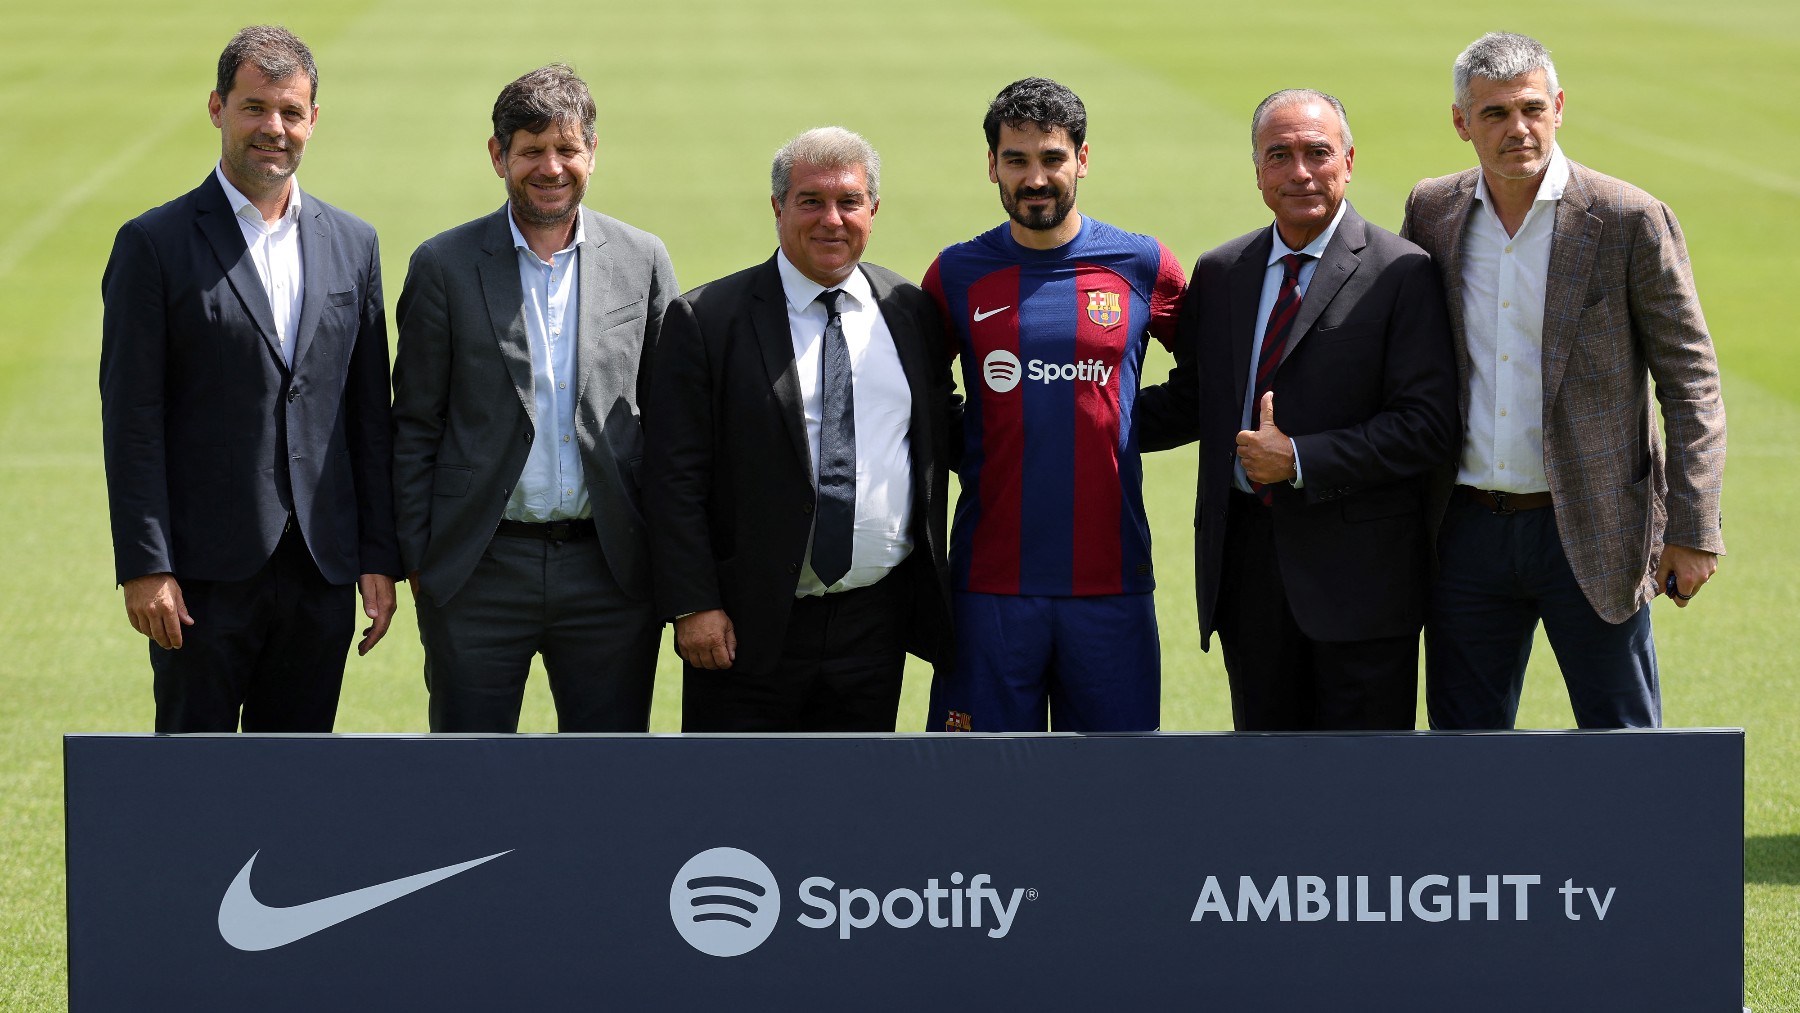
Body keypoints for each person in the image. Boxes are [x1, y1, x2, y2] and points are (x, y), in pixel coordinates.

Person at [1400, 33, 1726, 729]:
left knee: (1624, 746)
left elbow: (1691, 381)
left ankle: (1638, 847)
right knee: (1465, 751)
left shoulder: (1630, 217)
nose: (1517, 129)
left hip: (1595, 525)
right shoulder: (1431, 211)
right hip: (1463, 533)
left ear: (1559, 107)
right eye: (1494, 114)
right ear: (1462, 122)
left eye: (1531, 108)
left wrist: (1695, 526)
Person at [99, 25, 400, 733]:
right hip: (200, 578)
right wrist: (146, 563)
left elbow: (368, 416)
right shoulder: (153, 244)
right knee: (195, 792)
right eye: (255, 107)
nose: (274, 128)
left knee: (295, 790)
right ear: (217, 109)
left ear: (313, 121)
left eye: (291, 112)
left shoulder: (354, 244)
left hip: (320, 570)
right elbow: (132, 418)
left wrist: (379, 558)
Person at [1137, 89, 1458, 731]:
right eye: (1279, 155)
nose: (1300, 172)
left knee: (1362, 789)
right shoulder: (1223, 270)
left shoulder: (1403, 272)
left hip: (1363, 586)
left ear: (1349, 160)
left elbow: (1428, 426)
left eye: (1318, 152)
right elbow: (1197, 399)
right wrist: (1075, 421)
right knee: (1267, 785)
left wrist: (1302, 459)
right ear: (1256, 170)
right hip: (1248, 574)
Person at [391, 65, 677, 732]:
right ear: (498, 156)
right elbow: (414, 425)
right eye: (531, 150)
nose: (551, 167)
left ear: (592, 152)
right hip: (479, 573)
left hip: (608, 572)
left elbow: (669, 426)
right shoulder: (443, 266)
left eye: (567, 149)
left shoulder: (644, 259)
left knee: (606, 779)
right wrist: (422, 561)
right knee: (472, 780)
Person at [644, 127, 956, 732]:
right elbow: (672, 478)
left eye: (849, 201)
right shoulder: (708, 319)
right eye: (810, 201)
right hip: (745, 625)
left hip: (876, 621)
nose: (831, 220)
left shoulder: (909, 311)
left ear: (874, 210)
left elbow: (936, 435)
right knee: (737, 811)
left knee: (855, 809)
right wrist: (694, 605)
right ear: (778, 207)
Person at [922, 77, 1187, 732]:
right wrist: (982, 441)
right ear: (992, 166)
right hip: (988, 587)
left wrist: (1121, 424)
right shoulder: (957, 273)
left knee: (1114, 792)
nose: (1035, 178)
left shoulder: (1142, 264)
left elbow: (1210, 377)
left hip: (1112, 583)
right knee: (977, 792)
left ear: (1083, 159)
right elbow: (922, 397)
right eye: (1016, 160)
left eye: (1051, 158)